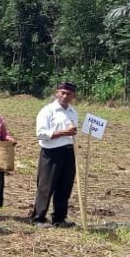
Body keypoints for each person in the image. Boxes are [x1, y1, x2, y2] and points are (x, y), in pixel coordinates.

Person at [31, 81, 79, 227]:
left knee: (65, 186)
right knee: (46, 186)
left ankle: (59, 218)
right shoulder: (47, 111)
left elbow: (74, 133)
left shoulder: (73, 112)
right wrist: (62, 133)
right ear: (56, 93)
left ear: (73, 96)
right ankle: (38, 218)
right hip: (51, 152)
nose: (65, 96)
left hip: (69, 152)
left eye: (68, 94)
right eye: (62, 93)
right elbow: (41, 134)